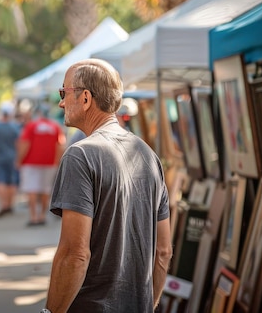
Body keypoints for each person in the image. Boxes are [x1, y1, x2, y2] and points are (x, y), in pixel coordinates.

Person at [43, 59, 172, 313]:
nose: (61, 102)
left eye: (63, 92)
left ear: (86, 98)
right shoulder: (147, 154)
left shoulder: (80, 155)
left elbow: (75, 254)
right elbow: (164, 251)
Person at [16, 103, 66, 226]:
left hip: (30, 162)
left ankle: (33, 217)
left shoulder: (31, 126)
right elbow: (61, 145)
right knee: (45, 189)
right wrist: (57, 161)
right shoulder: (55, 127)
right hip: (49, 163)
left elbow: (25, 144)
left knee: (31, 189)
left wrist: (19, 160)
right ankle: (42, 216)